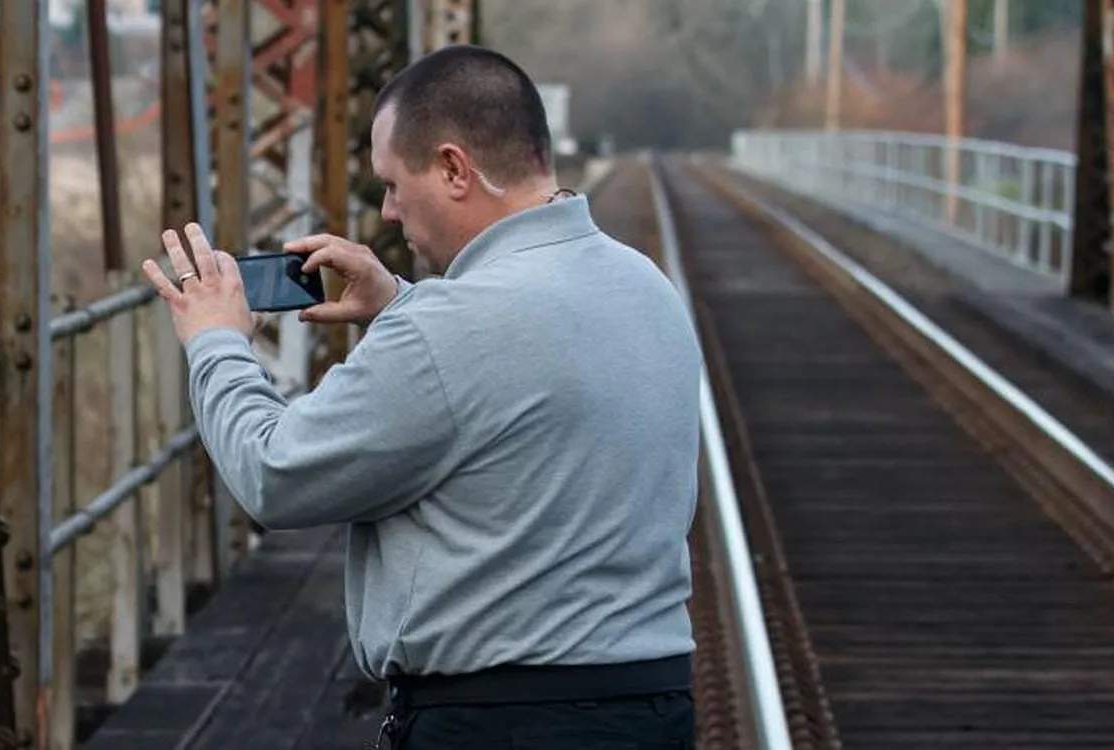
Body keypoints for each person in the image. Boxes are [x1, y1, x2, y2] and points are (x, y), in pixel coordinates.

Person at [138, 44, 701, 749]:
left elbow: (274, 475)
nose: (388, 211)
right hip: (652, 710)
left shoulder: (452, 329)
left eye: (394, 184)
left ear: (453, 168)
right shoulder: (643, 284)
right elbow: (527, 373)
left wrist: (216, 339)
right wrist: (399, 304)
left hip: (502, 726)